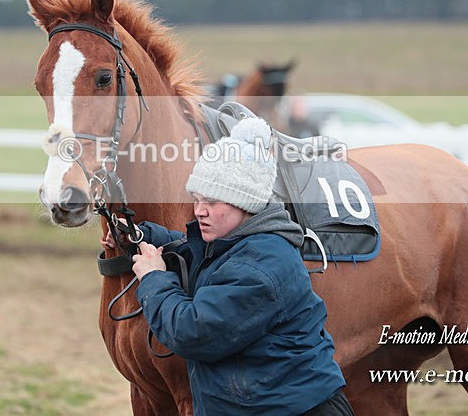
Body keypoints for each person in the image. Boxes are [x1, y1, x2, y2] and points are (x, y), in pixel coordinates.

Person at [102, 117, 352, 415]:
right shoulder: (237, 243)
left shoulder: (261, 267)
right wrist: (140, 236)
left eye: (212, 201)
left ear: (245, 202)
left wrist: (155, 278)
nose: (199, 210)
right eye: (196, 198)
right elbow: (190, 249)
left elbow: (191, 332)